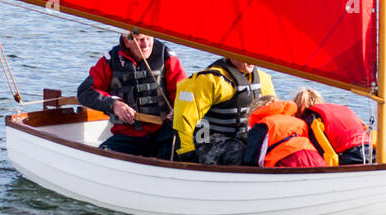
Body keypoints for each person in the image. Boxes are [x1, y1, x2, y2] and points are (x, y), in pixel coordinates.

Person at [77, 31, 186, 159]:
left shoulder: (167, 57)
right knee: (101, 158)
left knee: (181, 154)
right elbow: (85, 91)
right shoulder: (111, 60)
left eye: (148, 38)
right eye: (140, 40)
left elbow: (184, 93)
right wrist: (114, 105)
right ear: (126, 41)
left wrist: (179, 108)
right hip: (127, 136)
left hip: (162, 133)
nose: (145, 45)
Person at [173, 54, 275, 165]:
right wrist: (186, 153)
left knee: (264, 151)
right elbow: (184, 118)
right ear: (232, 53)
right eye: (247, 55)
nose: (252, 60)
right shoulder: (209, 80)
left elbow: (274, 116)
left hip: (246, 139)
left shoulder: (263, 80)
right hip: (208, 143)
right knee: (239, 153)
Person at [246, 97, 334, 168]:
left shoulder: (264, 125)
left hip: (289, 163)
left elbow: (253, 160)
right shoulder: (298, 122)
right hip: (317, 161)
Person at [294, 87, 374, 165]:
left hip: (350, 158)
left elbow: (322, 151)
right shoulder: (342, 110)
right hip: (372, 153)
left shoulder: (313, 119)